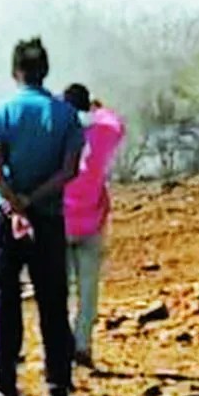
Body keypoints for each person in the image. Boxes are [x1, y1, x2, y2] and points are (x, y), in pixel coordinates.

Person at [0, 38, 84, 396]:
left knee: (3, 299)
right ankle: (57, 391)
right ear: (46, 71)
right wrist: (34, 201)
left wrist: (15, 204)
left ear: (15, 72)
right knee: (53, 302)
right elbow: (69, 170)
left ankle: (6, 388)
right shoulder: (66, 115)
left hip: (3, 217)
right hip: (49, 218)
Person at [62, 85, 126, 370]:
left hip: (59, 223)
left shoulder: (57, 136)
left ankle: (60, 346)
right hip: (92, 222)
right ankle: (83, 345)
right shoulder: (103, 133)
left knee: (59, 291)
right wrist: (99, 109)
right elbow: (116, 122)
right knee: (88, 290)